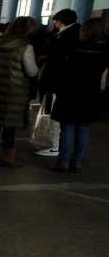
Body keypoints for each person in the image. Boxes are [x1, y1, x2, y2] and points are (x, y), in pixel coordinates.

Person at [47, 18, 109, 173]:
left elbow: (62, 67)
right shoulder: (105, 50)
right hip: (91, 91)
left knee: (67, 127)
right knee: (83, 127)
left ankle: (62, 162)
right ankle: (76, 162)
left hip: (70, 90)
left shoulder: (74, 46)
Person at [0, 16, 39, 167]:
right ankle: (8, 157)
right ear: (28, 29)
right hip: (15, 91)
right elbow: (31, 71)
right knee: (9, 125)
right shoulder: (26, 46)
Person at [36, 8, 80, 156]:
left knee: (53, 113)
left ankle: (54, 144)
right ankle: (50, 142)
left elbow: (59, 58)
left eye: (55, 21)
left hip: (56, 83)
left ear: (59, 21)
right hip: (56, 83)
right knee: (49, 111)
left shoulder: (68, 35)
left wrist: (46, 58)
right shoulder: (73, 33)